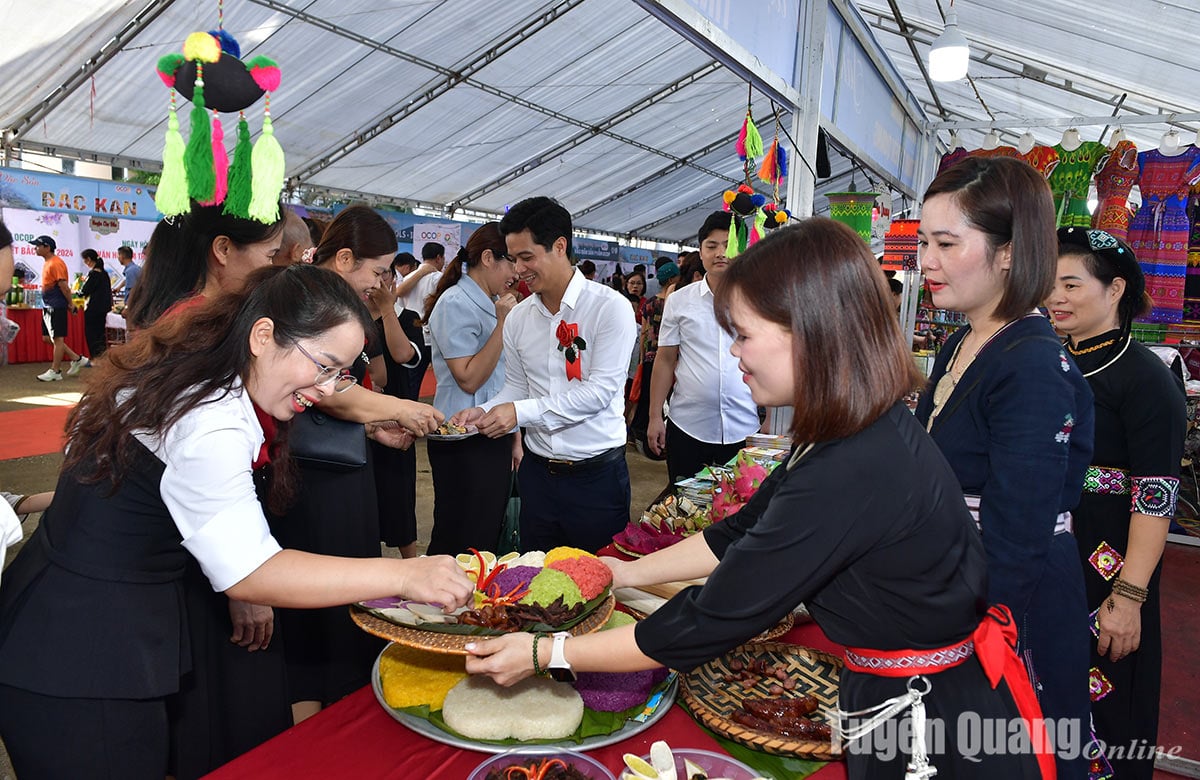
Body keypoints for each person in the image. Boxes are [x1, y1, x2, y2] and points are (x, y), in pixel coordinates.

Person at [466, 218, 1051, 779]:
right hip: (897, 695)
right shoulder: (844, 433)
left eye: (743, 335)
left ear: (814, 331)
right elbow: (740, 531)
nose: (735, 354)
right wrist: (621, 574)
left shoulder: (853, 465)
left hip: (931, 722)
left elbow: (707, 620)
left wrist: (546, 653)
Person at [0, 264, 474, 780]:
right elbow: (251, 570)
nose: (327, 388)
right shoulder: (212, 417)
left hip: (71, 622)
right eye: (323, 366)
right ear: (263, 335)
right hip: (83, 652)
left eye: (339, 373)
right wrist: (405, 575)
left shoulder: (202, 367)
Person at [913, 156, 1093, 779]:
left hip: (1011, 605)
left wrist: (973, 631)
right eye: (922, 242)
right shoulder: (961, 342)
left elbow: (1017, 534)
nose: (925, 262)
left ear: (1010, 253)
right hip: (959, 582)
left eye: (945, 243)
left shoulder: (1031, 364)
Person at [1049, 227, 1186, 779]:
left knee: (1105, 709)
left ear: (1114, 291)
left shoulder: (1147, 381)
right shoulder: (1050, 363)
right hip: (1047, 559)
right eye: (1049, 283)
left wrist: (1129, 597)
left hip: (1108, 572)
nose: (1054, 296)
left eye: (1071, 284)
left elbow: (1156, 500)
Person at [453, 197, 637, 553]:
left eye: (527, 257)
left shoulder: (609, 308)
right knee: (535, 580)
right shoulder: (519, 318)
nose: (518, 270)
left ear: (559, 246)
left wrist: (518, 414)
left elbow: (599, 393)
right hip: (537, 476)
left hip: (596, 478)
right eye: (512, 258)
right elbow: (517, 387)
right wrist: (487, 410)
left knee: (598, 579)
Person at [425, 223, 521, 555]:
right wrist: (502, 324)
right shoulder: (455, 302)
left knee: (484, 533)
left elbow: (508, 377)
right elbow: (468, 377)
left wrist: (515, 436)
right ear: (488, 257)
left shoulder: (491, 302)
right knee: (460, 535)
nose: (517, 272)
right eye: (512, 261)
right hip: (462, 438)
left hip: (491, 431)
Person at [648, 212, 760, 485]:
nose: (720, 253)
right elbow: (665, 360)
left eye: (728, 244)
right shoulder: (679, 300)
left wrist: (768, 424)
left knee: (738, 510)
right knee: (682, 512)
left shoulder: (759, 299)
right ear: (700, 250)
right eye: (711, 246)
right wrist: (654, 417)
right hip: (688, 426)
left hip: (744, 427)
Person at [364, 263, 423, 558]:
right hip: (360, 421)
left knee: (399, 499)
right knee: (366, 502)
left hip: (398, 422)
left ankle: (411, 566)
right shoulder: (352, 320)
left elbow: (402, 354)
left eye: (383, 273)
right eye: (374, 273)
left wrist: (387, 310)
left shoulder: (408, 318)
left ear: (392, 278)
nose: (378, 280)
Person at [629, 261, 680, 458]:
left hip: (649, 356)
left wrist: (642, 358)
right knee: (663, 401)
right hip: (666, 357)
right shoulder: (672, 301)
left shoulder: (649, 302)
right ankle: (655, 441)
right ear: (672, 279)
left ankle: (638, 435)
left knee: (645, 399)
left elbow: (643, 332)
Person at [32, 235, 88, 381]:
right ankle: (76, 358)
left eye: (38, 246)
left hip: (56, 307)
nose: (35, 248)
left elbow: (64, 286)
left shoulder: (56, 263)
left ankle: (55, 371)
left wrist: (70, 304)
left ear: (47, 247)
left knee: (57, 339)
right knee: (46, 338)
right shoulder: (48, 262)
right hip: (47, 306)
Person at [395, 241, 445, 401]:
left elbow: (401, 306)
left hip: (413, 337)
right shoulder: (439, 278)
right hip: (434, 337)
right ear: (439, 258)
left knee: (411, 382)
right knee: (443, 381)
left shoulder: (408, 278)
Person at [79, 249, 113, 359]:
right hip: (103, 309)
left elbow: (85, 290)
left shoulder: (94, 274)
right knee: (101, 334)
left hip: (93, 308)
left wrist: (77, 292)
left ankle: (95, 358)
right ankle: (102, 357)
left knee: (92, 334)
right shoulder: (104, 273)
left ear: (88, 259)